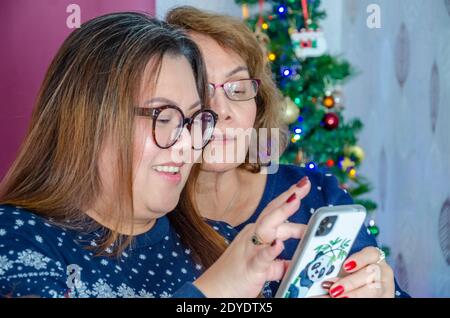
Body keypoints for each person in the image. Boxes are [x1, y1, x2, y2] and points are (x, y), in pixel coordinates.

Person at [0, 12, 309, 298]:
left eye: (192, 121)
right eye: (163, 118)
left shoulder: (221, 244)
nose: (187, 144)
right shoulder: (17, 237)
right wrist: (214, 291)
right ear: (91, 119)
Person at [166, 6, 409, 298]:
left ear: (258, 107)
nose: (222, 110)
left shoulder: (316, 195)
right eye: (199, 88)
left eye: (237, 88)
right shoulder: (142, 217)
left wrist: (382, 291)